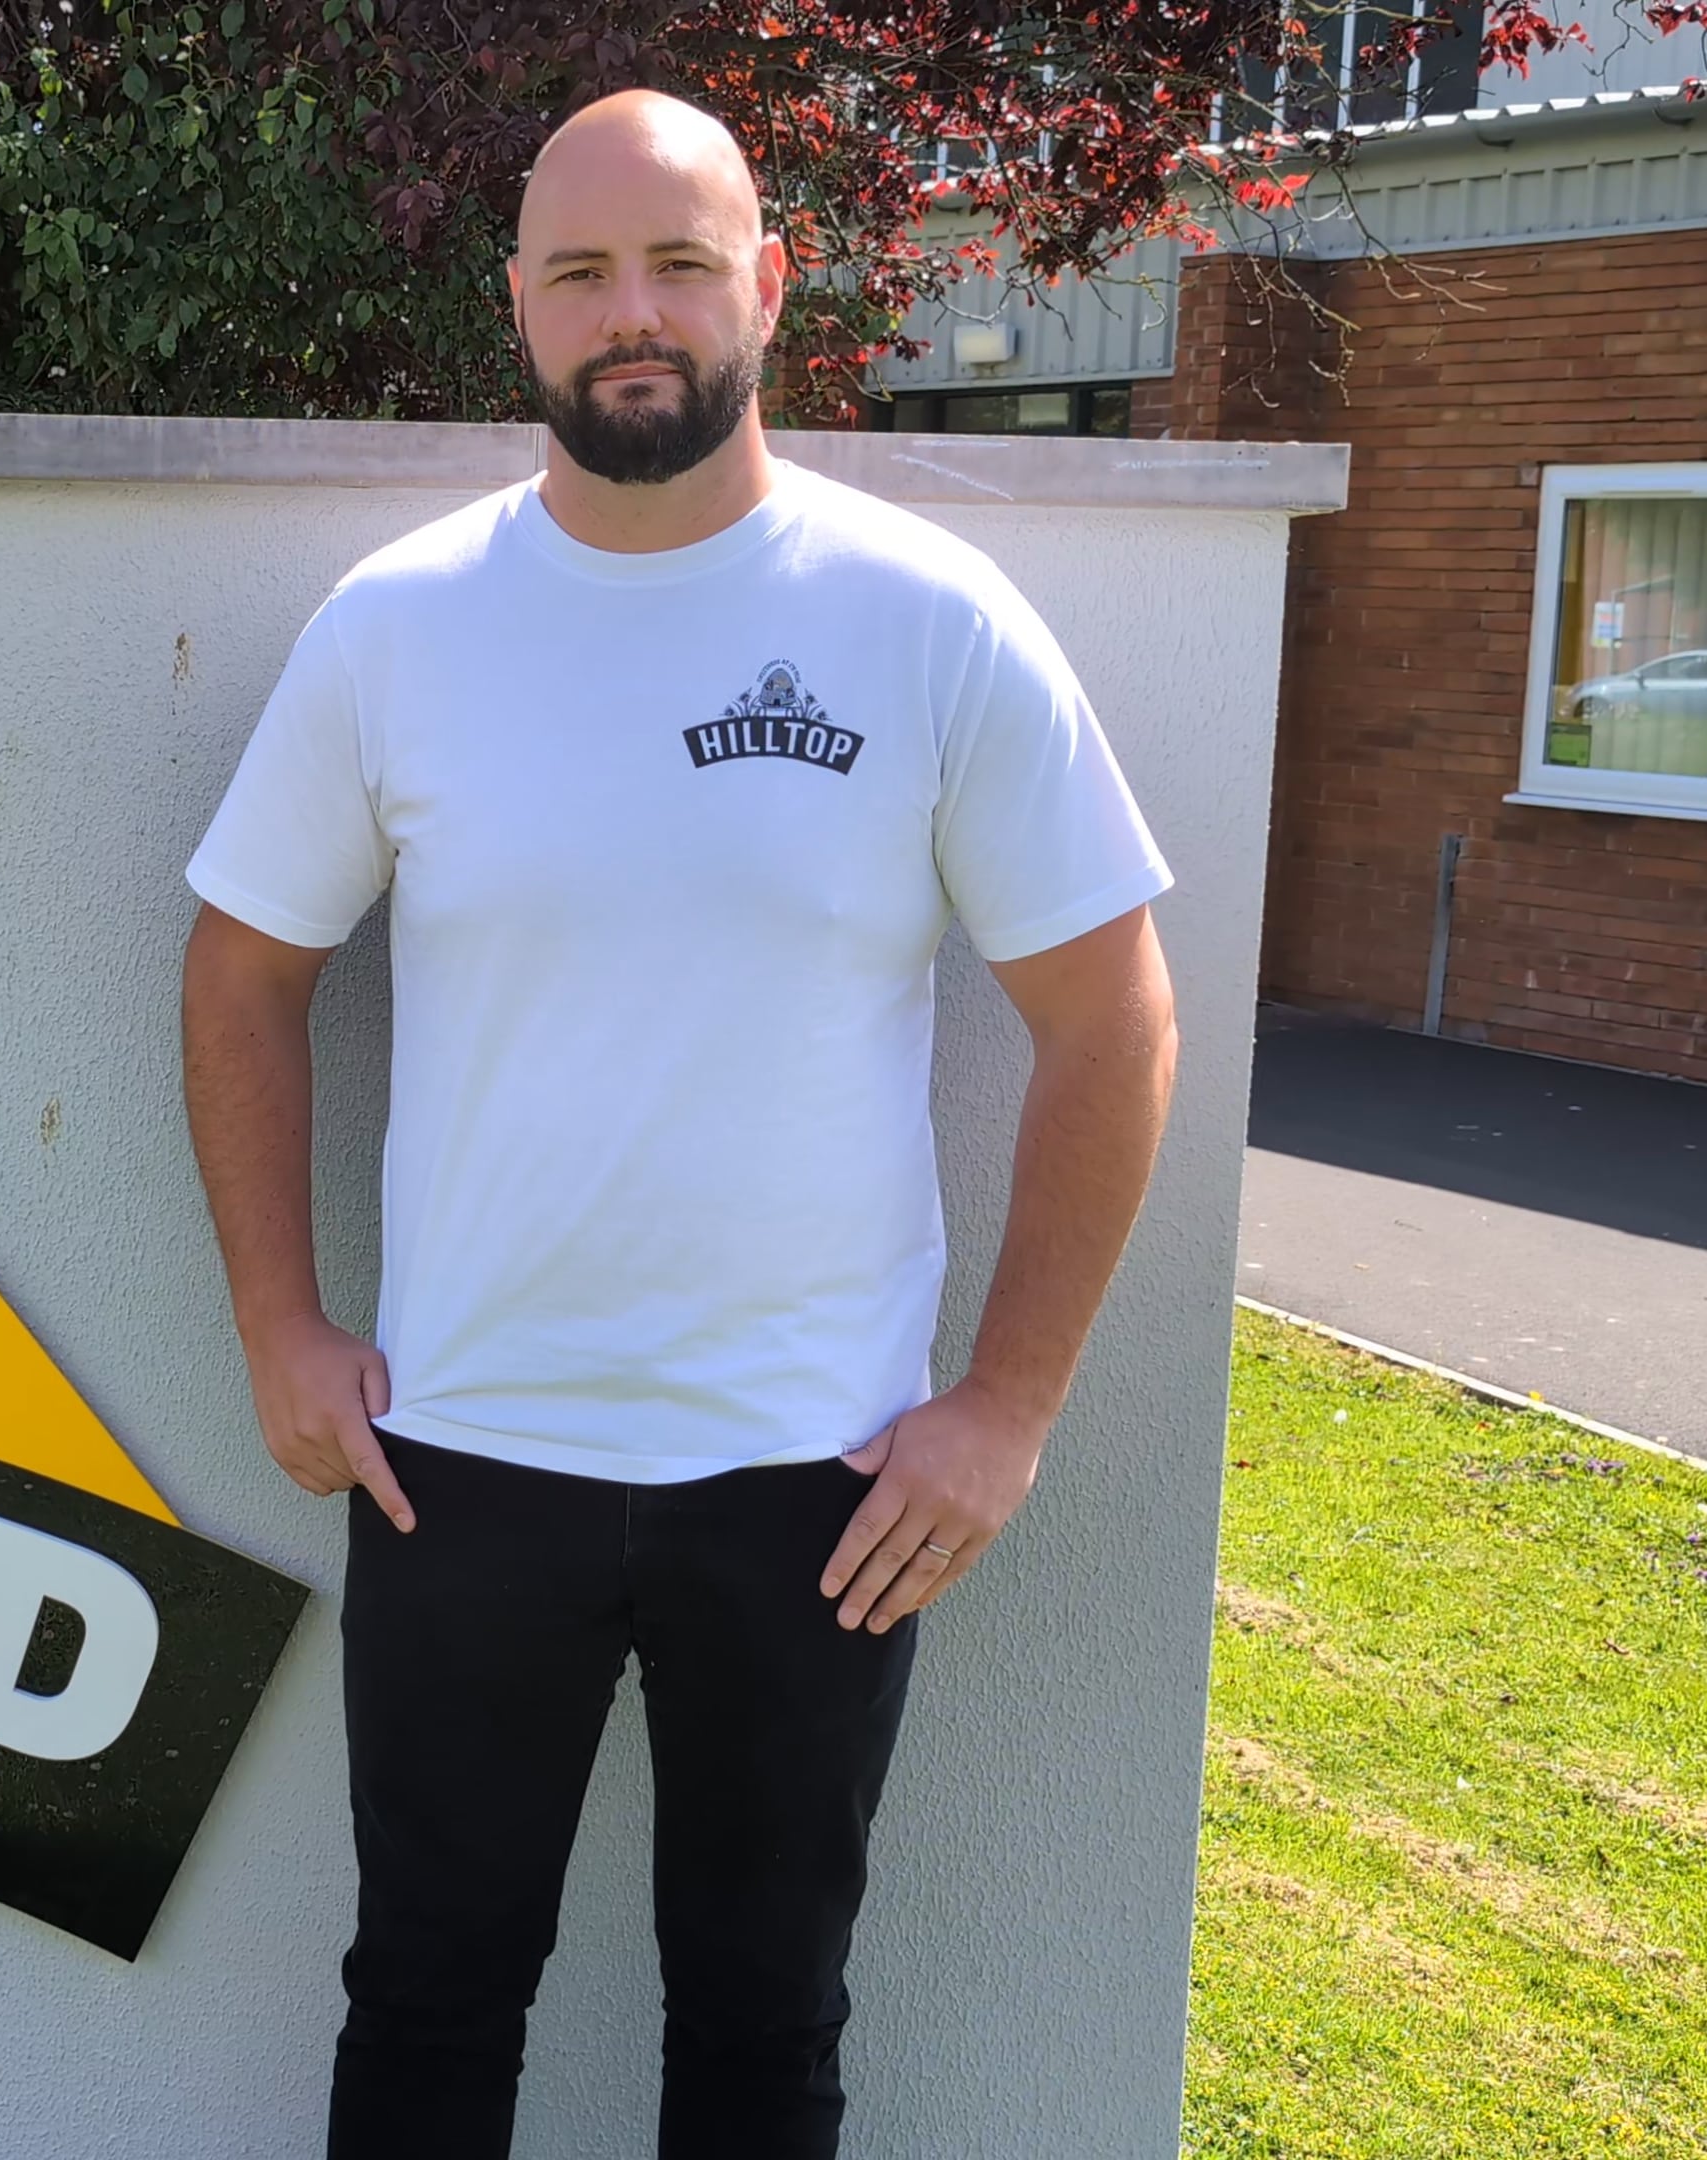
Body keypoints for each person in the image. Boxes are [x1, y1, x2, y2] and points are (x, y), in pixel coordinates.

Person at [175, 88, 1185, 2160]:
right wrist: (282, 1326)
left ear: (769, 287)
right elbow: (240, 973)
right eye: (579, 272)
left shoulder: (929, 621)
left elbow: (1113, 1019)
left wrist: (1005, 1408)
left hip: (813, 1482)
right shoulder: (397, 627)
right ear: (521, 308)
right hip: (459, 1462)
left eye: (678, 264)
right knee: (430, 2011)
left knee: (761, 2031)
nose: (630, 313)